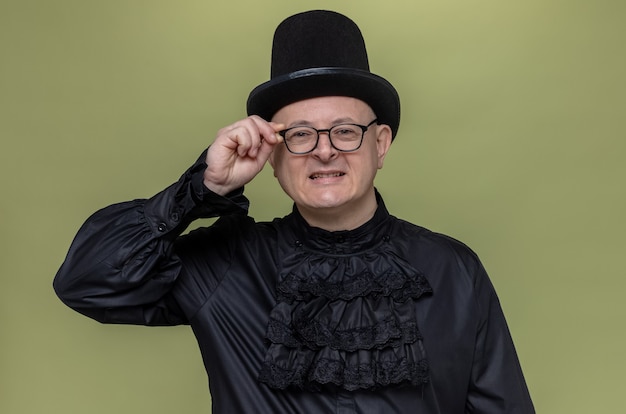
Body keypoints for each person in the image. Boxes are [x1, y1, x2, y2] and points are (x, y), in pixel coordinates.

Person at [54, 10, 535, 414]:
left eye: (345, 131)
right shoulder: (224, 264)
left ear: (381, 143)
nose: (324, 152)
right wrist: (200, 186)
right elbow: (87, 281)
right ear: (271, 153)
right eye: (300, 134)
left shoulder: (454, 270)